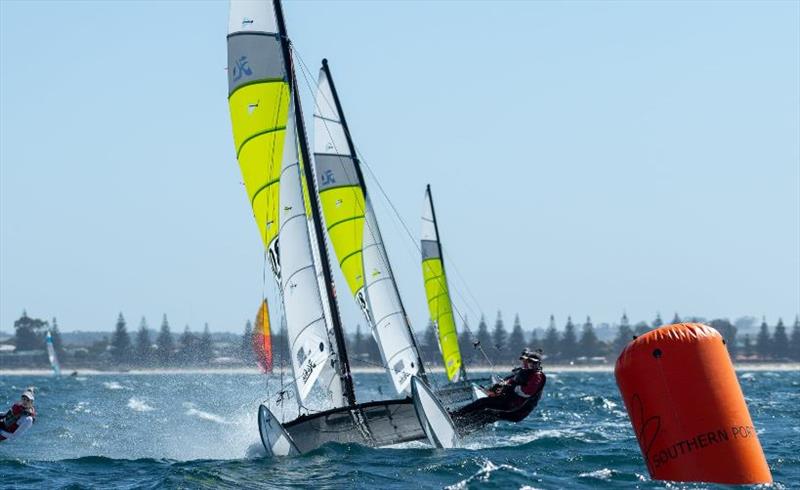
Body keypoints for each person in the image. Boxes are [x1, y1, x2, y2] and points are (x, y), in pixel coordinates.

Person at [451, 349, 546, 433]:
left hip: (516, 409)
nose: (530, 364)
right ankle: (460, 422)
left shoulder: (537, 375)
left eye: (533, 362)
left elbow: (526, 392)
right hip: (512, 404)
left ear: (538, 364)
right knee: (486, 409)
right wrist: (502, 386)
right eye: (529, 361)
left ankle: (459, 423)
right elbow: (511, 381)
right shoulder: (526, 372)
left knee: (486, 409)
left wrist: (510, 386)